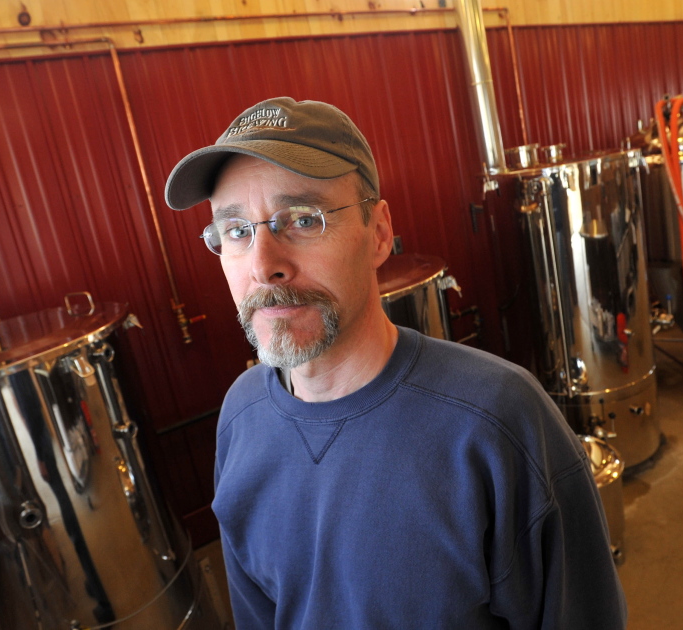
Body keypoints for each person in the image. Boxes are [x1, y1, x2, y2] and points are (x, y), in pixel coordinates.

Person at [165, 97, 626, 629]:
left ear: (379, 233)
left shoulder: (496, 421)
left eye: (303, 219)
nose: (264, 266)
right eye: (237, 231)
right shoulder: (240, 416)